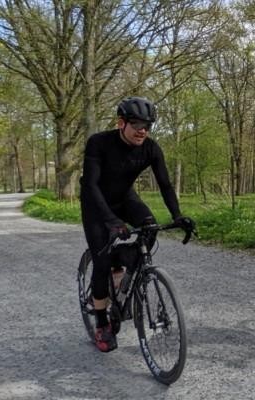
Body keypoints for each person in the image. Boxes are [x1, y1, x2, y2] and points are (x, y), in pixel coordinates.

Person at [79, 96, 195, 352]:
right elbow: (90, 185)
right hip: (96, 203)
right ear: (121, 123)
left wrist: (177, 215)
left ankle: (120, 271)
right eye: (137, 124)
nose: (143, 130)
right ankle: (101, 323)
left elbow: (165, 184)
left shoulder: (151, 148)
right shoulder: (98, 143)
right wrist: (111, 221)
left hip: (124, 198)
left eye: (148, 125)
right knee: (102, 260)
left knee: (150, 228)